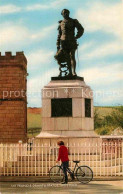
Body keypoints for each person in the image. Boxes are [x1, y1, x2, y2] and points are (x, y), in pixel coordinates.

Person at [55, 9, 84, 77]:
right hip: (63, 42)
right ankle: (70, 72)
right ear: (62, 14)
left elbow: (81, 29)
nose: (65, 14)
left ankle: (74, 72)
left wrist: (77, 36)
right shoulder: (61, 23)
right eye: (64, 13)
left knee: (72, 56)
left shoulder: (73, 21)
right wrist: (58, 44)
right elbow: (59, 35)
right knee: (67, 57)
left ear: (69, 13)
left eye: (67, 13)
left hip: (71, 40)